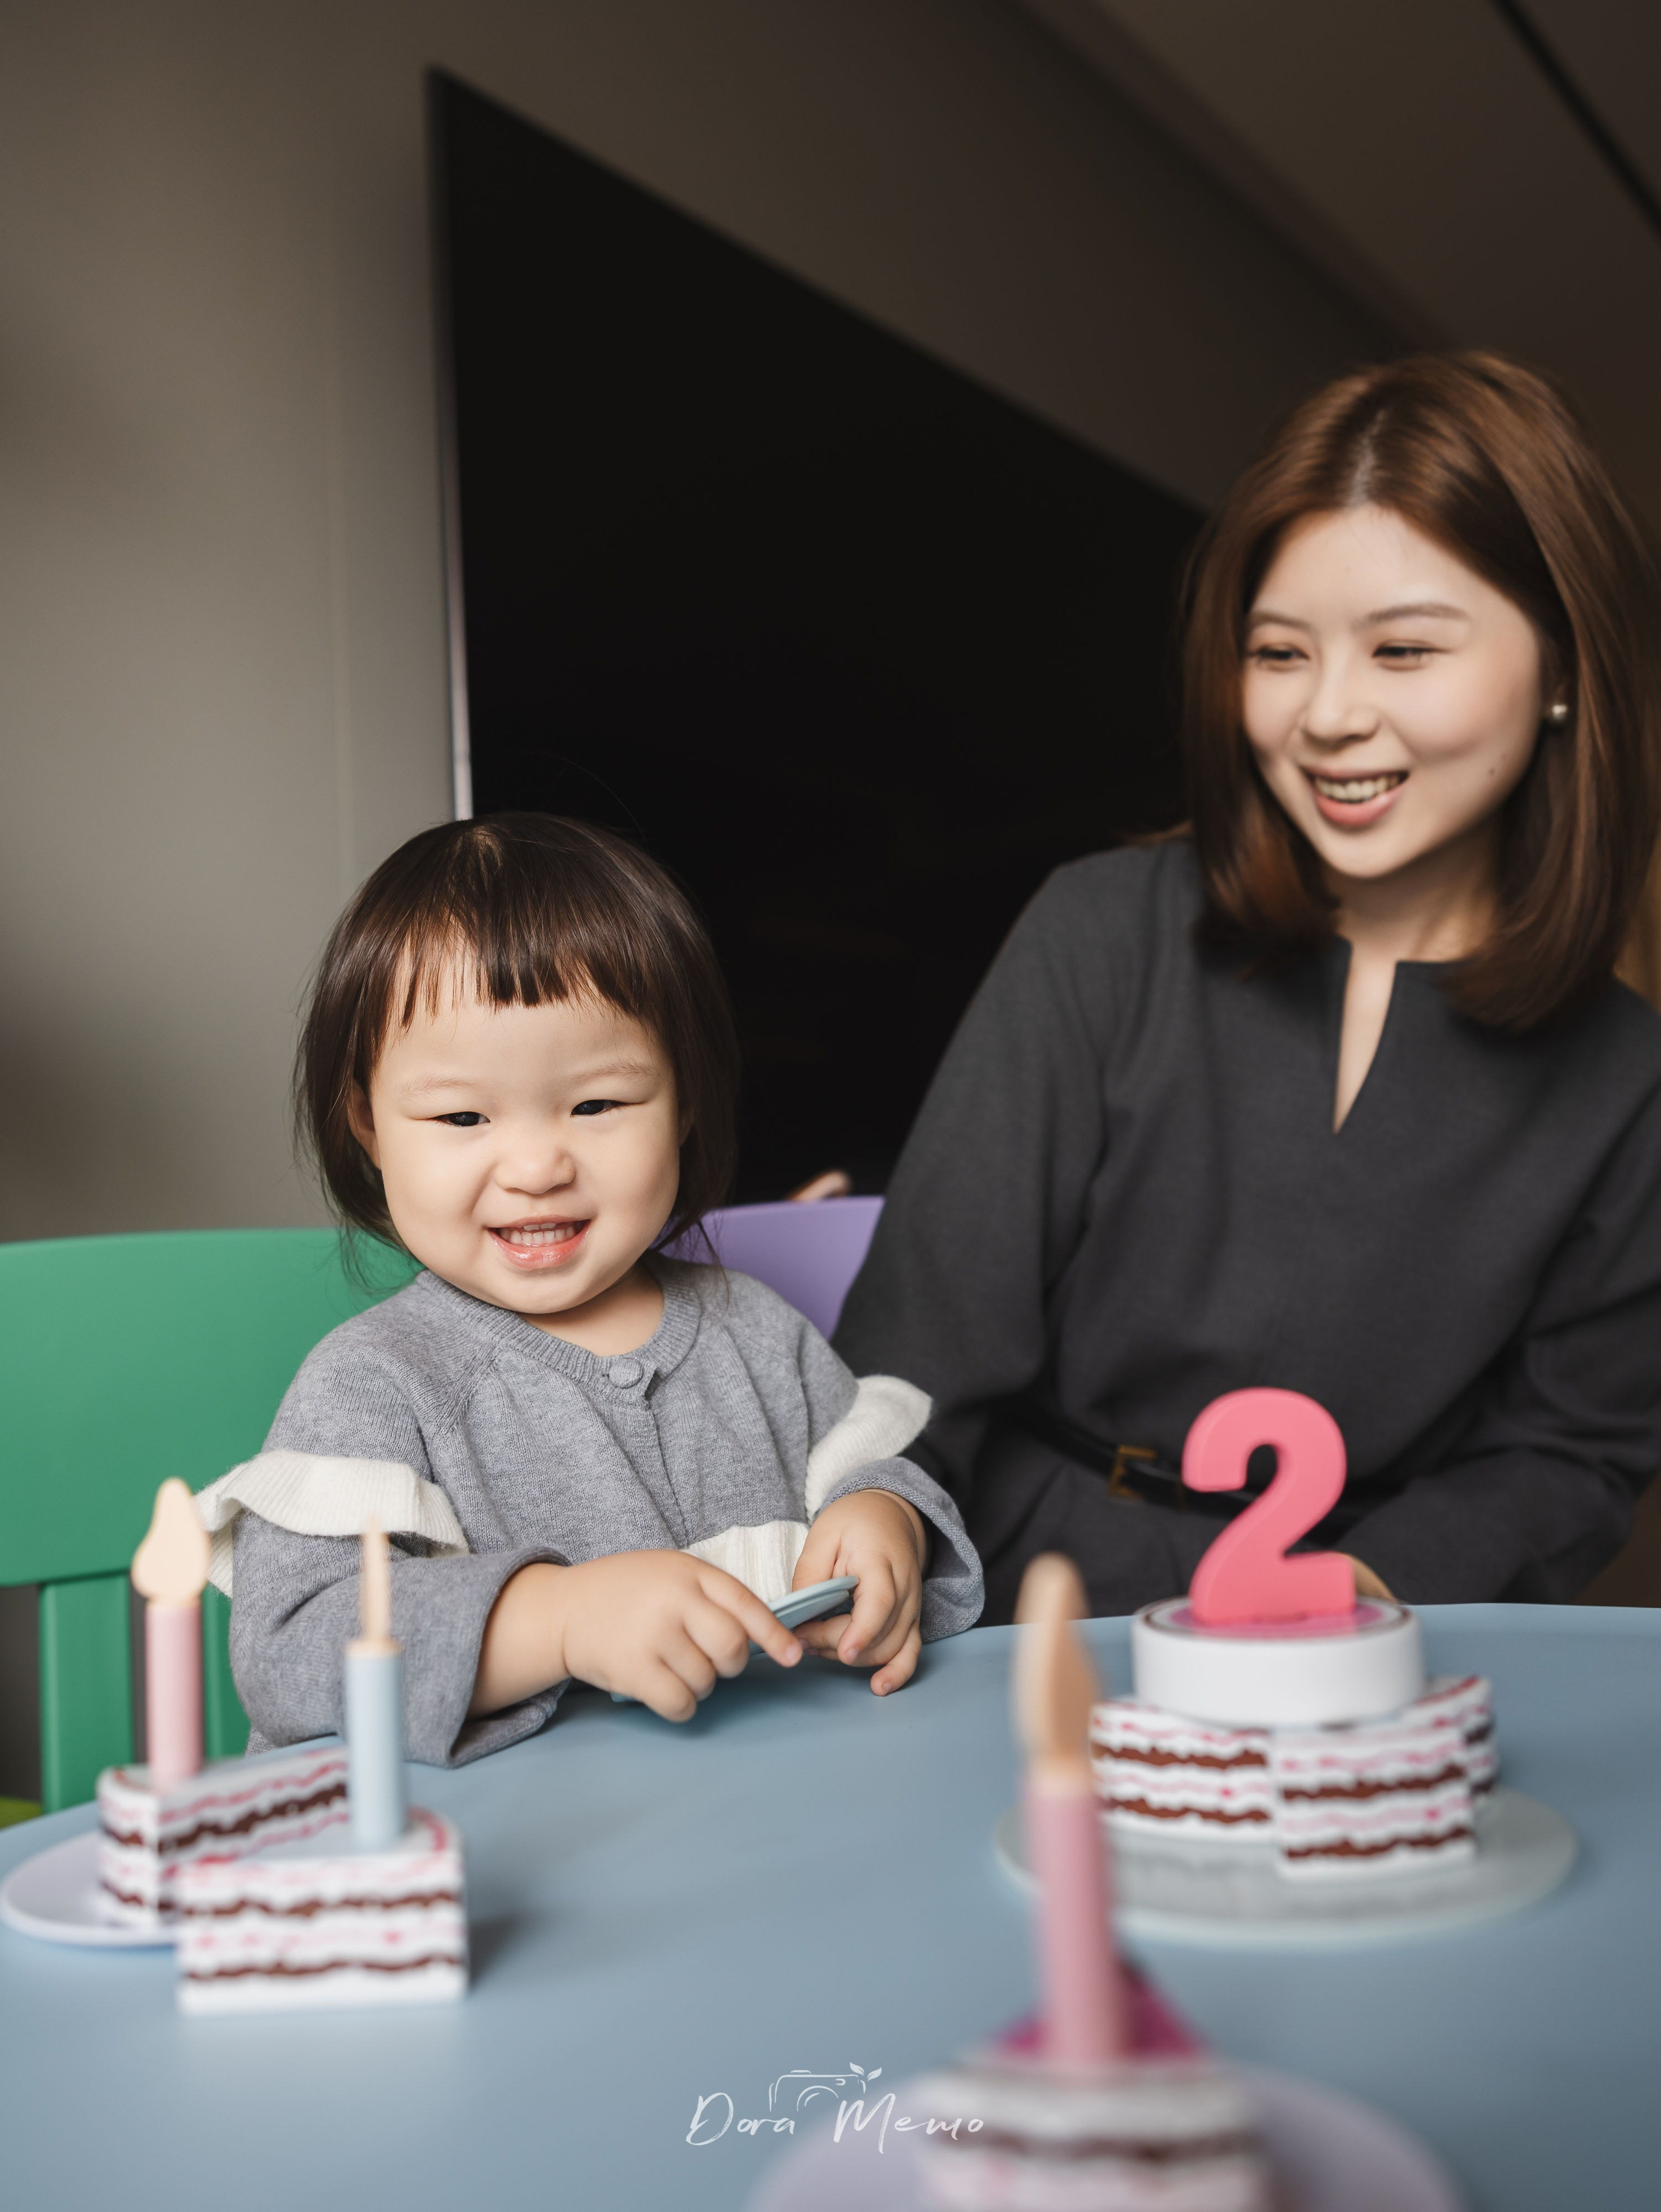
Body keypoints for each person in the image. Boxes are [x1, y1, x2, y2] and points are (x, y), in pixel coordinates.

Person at [834, 352, 1661, 1624]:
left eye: (1400, 649)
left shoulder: (1624, 1078)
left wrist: (1356, 1595)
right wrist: (873, 1511)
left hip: (1361, 1637)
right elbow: (919, 1349)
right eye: (1277, 652)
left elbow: (1569, 1455)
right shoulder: (1096, 932)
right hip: (1013, 1601)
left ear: (1559, 668)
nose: (1325, 714)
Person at [219, 815, 982, 1765]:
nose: (537, 1164)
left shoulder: (754, 1330)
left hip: (763, 1827)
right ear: (370, 1127)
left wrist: (884, 1516)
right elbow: (290, 1645)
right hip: (511, 1868)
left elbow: (867, 1464)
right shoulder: (377, 1382)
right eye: (463, 1114)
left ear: (685, 1101)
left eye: (597, 1104)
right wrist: (554, 1619)